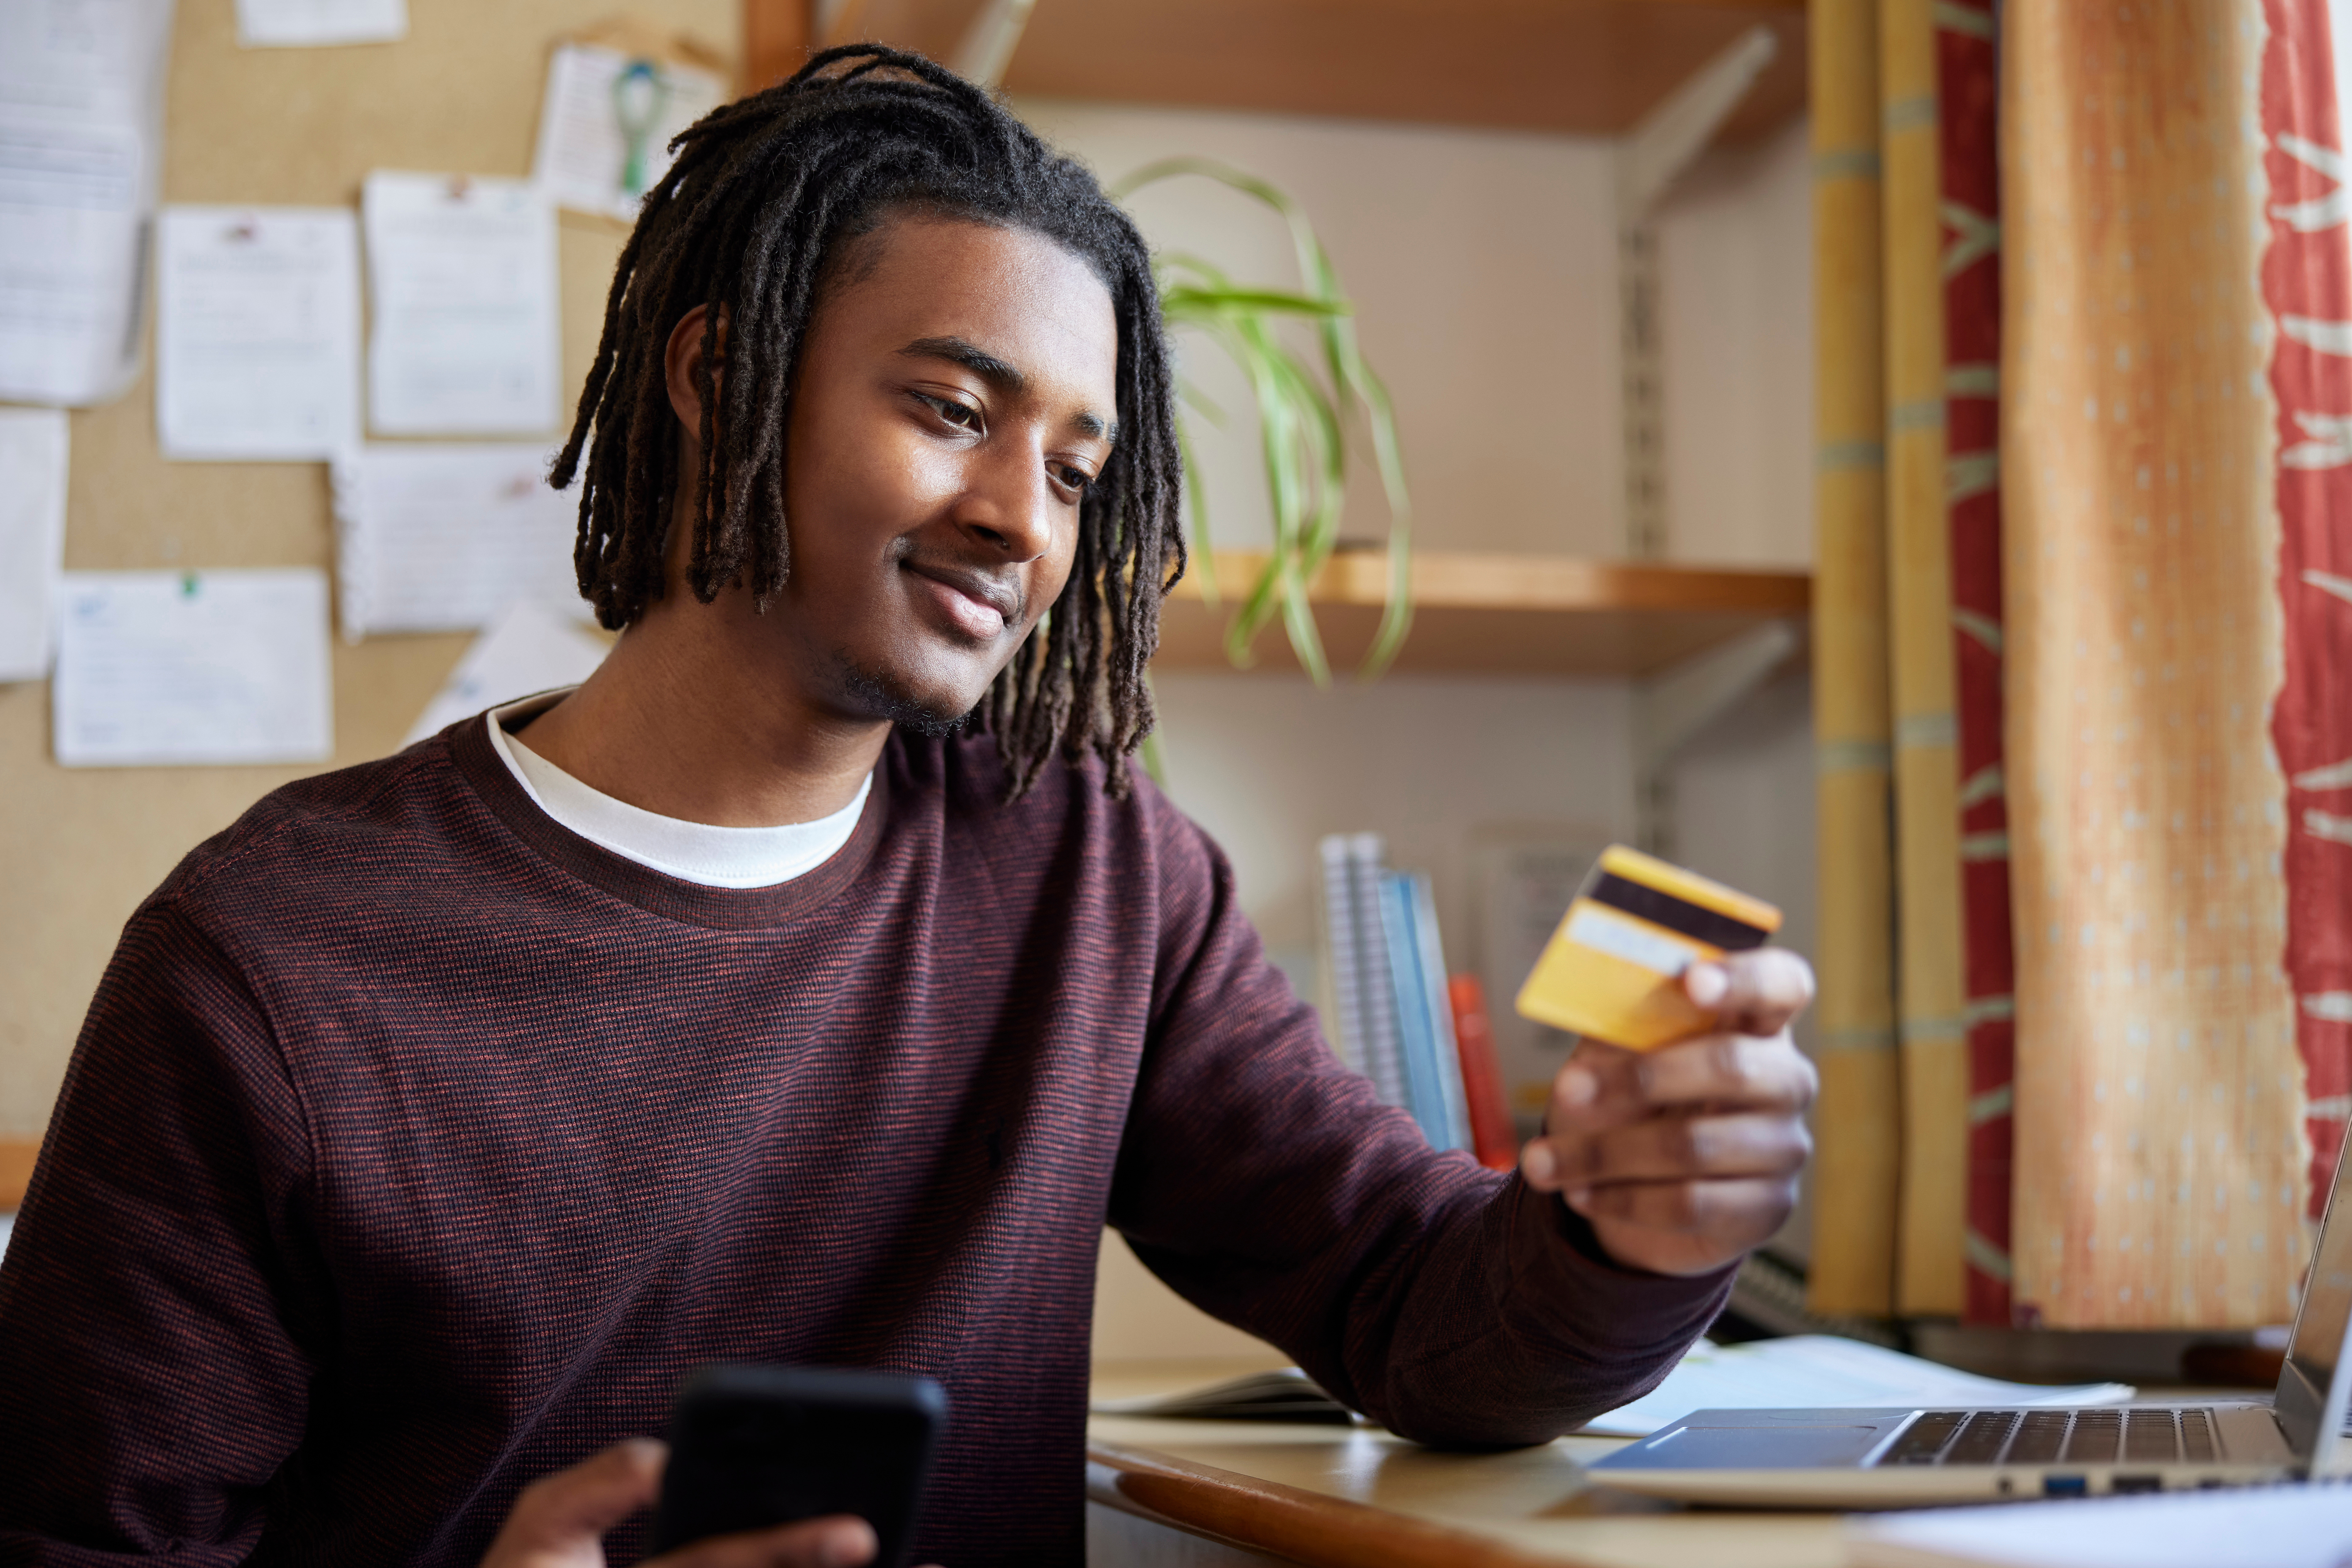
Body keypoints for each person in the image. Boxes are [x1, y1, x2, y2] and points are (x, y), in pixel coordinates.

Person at [0, 48, 1816, 1568]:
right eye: (953, 407)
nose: (1023, 520)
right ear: (723, 381)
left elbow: (1413, 1306)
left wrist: (1626, 1233)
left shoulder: (1093, 875)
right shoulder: (276, 956)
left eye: (1077, 469)